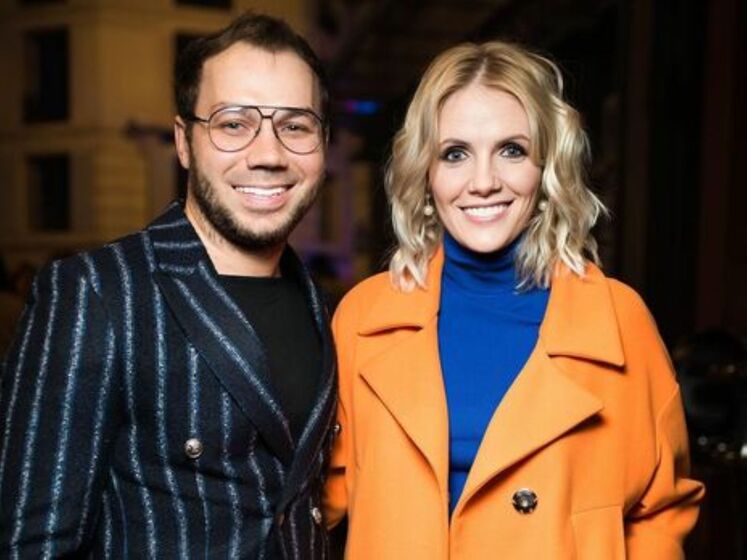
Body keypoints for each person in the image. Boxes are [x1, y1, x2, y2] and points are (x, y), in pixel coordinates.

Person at [325, 41, 704, 559]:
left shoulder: (619, 320)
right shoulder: (364, 318)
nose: (483, 182)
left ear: (546, 166)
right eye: (455, 154)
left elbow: (661, 511)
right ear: (426, 172)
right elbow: (316, 503)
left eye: (512, 150)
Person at [0, 13, 337, 559]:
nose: (268, 154)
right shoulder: (95, 293)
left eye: (295, 126)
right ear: (184, 142)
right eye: (233, 124)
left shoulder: (327, 309)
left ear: (323, 143)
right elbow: (31, 545)